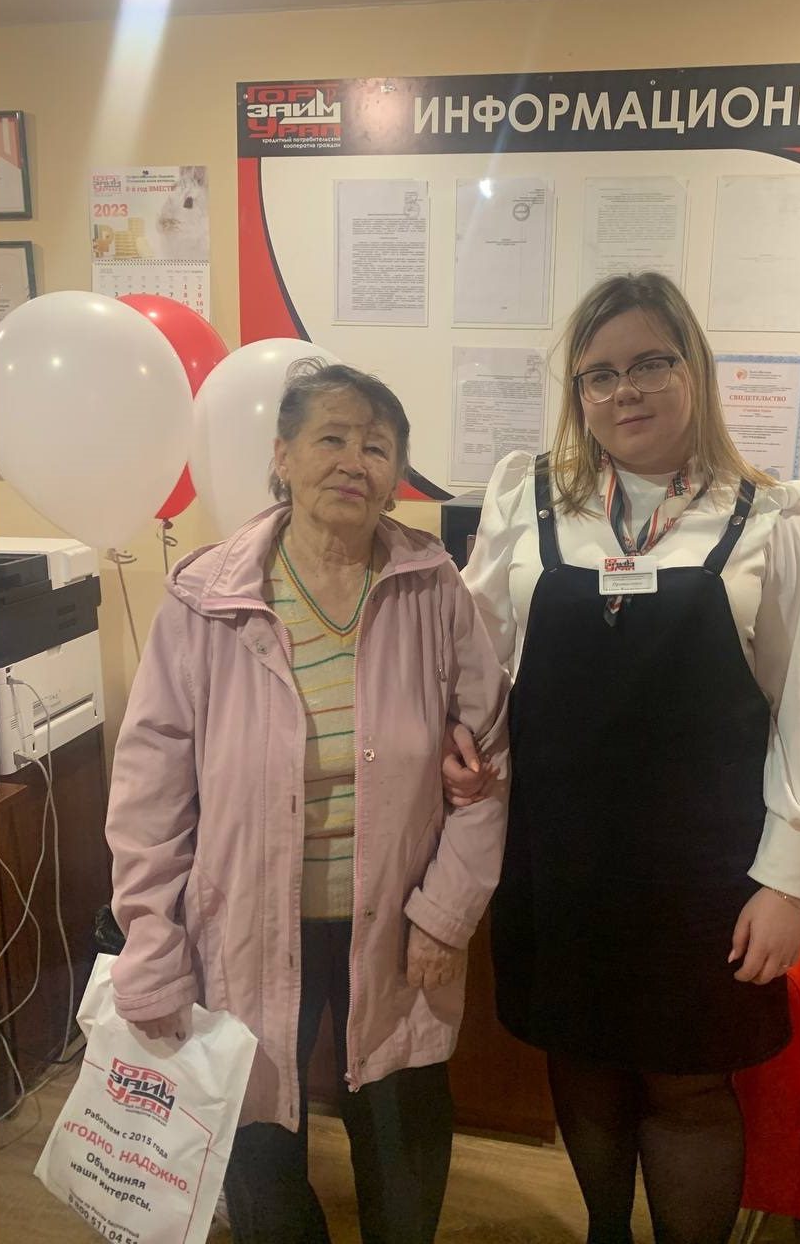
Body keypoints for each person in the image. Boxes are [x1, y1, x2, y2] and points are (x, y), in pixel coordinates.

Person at [447, 272, 800, 1244]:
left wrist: (788, 881)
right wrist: (461, 741)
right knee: (582, 1059)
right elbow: (475, 654)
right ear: (578, 392)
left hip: (706, 870)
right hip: (560, 854)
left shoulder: (765, 517)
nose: (625, 390)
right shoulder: (528, 499)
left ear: (692, 371)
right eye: (599, 373)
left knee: (689, 1082)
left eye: (650, 363)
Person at [106, 359, 510, 1244]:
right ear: (282, 456)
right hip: (244, 918)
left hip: (399, 920)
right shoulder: (207, 599)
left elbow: (490, 763)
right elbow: (150, 790)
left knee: (402, 1136)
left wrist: (446, 913)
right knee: (256, 1146)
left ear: (395, 476)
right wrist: (152, 936)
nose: (354, 461)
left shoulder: (433, 588)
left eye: (377, 446)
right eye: (331, 437)